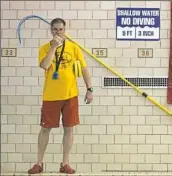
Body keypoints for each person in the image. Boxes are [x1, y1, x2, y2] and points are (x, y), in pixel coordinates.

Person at [28, 18, 93, 174]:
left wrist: (90, 89)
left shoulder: (74, 48)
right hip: (51, 96)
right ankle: (39, 163)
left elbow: (84, 69)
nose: (58, 32)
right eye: (55, 29)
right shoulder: (44, 48)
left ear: (65, 30)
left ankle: (65, 163)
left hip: (70, 95)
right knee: (45, 129)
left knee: (69, 129)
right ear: (51, 30)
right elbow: (45, 65)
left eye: (61, 29)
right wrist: (53, 48)